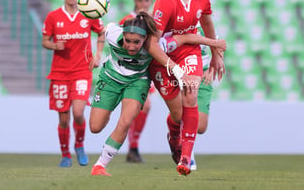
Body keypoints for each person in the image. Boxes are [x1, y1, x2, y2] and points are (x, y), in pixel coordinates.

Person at [90, 12, 226, 176]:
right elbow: (103, 28)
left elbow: (185, 38)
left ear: (145, 39)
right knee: (96, 127)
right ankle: (107, 110)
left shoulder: (156, 45)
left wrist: (214, 43)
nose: (132, 46)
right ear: (122, 35)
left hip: (137, 81)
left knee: (125, 121)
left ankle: (99, 166)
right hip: (111, 79)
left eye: (137, 42)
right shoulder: (112, 33)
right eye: (128, 41)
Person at [149, 0, 226, 176]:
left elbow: (208, 23)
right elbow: (154, 45)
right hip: (166, 57)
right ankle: (174, 135)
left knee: (191, 93)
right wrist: (172, 67)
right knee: (178, 115)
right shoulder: (165, 1)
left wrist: (215, 54)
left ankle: (185, 156)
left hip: (190, 51)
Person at [42, 0, 105, 168]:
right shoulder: (53, 16)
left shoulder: (89, 14)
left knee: (78, 112)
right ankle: (65, 154)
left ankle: (79, 145)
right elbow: (44, 41)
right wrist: (54, 45)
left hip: (81, 72)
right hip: (59, 74)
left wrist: (98, 54)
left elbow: (101, 32)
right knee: (63, 118)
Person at [119, 0, 154, 163]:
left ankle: (133, 147)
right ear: (135, 1)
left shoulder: (153, 24)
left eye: (146, 1)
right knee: (134, 109)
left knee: (144, 106)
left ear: (151, 2)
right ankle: (129, 147)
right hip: (127, 72)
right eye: (140, 0)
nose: (143, 4)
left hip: (145, 72)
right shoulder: (127, 21)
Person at [190, 24, 218, 171]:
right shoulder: (177, 20)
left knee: (201, 127)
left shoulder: (204, 24)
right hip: (184, 74)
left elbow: (217, 45)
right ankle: (187, 155)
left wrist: (213, 68)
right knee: (184, 114)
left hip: (203, 75)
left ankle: (176, 135)